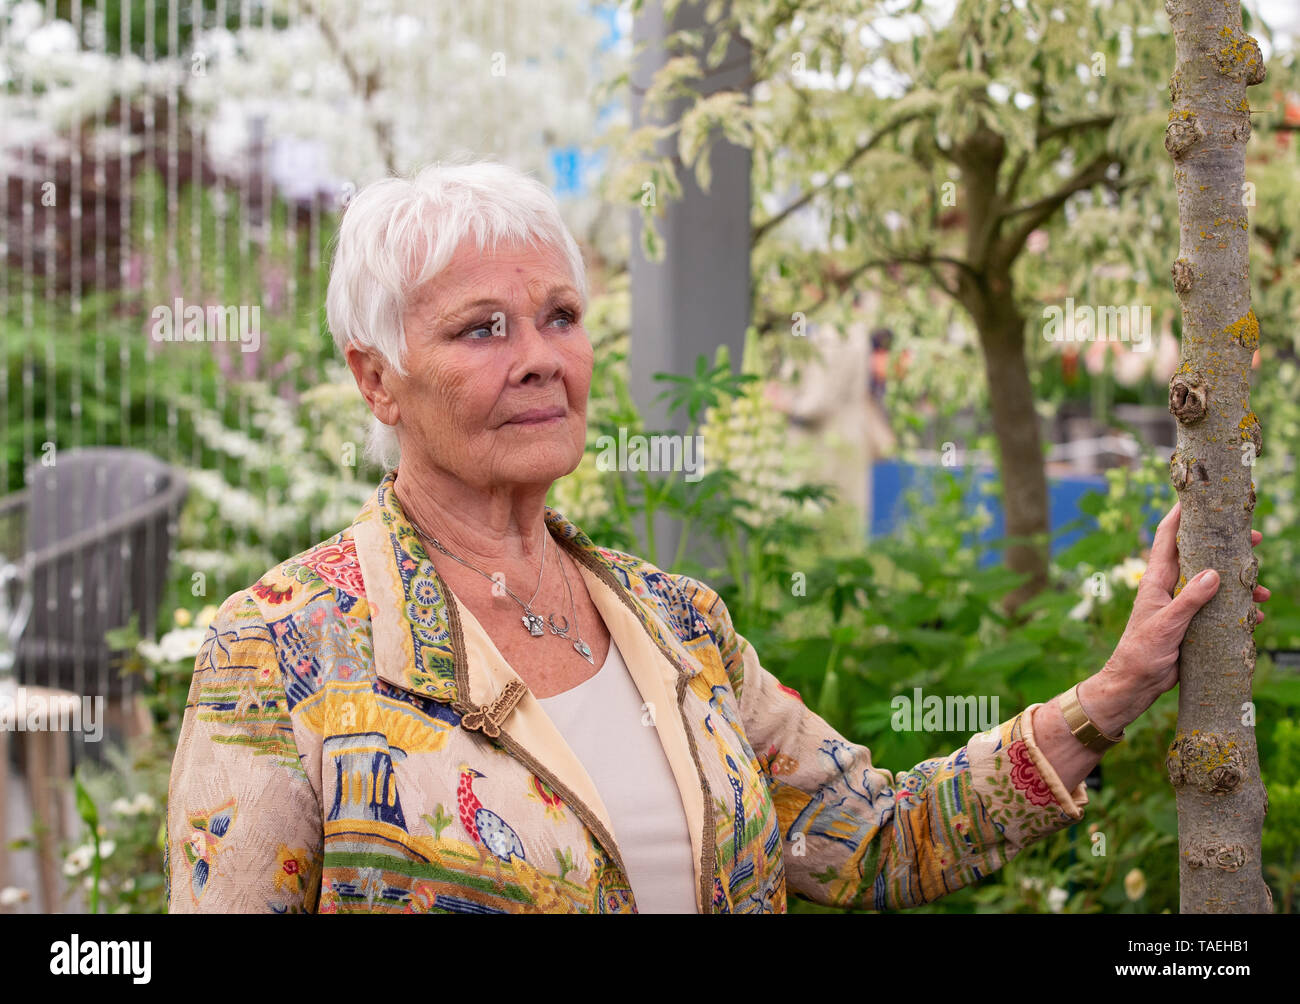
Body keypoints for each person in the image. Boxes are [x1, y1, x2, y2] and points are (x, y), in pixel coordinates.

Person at [165, 159, 1270, 914]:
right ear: (376, 380)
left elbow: (875, 837)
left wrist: (1118, 686)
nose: (541, 355)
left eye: (560, 316)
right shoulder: (283, 650)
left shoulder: (679, 624)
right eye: (481, 328)